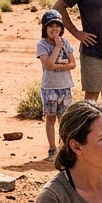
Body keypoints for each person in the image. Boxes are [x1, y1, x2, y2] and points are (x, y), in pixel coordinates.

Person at [36, 10, 76, 161]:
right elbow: (48, 65)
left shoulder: (66, 42)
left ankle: (64, 147)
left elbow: (73, 64)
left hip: (65, 87)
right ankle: (52, 148)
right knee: (51, 119)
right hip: (50, 88)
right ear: (45, 28)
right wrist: (58, 48)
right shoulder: (42, 44)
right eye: (50, 26)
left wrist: (58, 64)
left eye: (57, 26)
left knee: (64, 119)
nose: (54, 29)